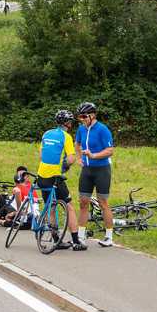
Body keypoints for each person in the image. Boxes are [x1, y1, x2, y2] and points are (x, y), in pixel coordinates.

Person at [38, 110, 86, 251]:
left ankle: (56, 239)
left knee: (51, 207)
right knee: (69, 206)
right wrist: (66, 166)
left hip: (42, 176)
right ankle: (76, 241)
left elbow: (41, 155)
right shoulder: (66, 137)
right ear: (68, 124)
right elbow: (71, 158)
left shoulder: (46, 133)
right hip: (55, 177)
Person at [75, 102, 115, 247]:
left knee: (103, 203)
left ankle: (109, 237)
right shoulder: (81, 129)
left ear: (92, 115)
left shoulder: (102, 129)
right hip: (87, 170)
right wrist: (79, 158)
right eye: (80, 117)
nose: (82, 119)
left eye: (84, 116)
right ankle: (80, 236)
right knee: (83, 202)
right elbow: (77, 144)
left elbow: (110, 150)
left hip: (102, 169)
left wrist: (93, 155)